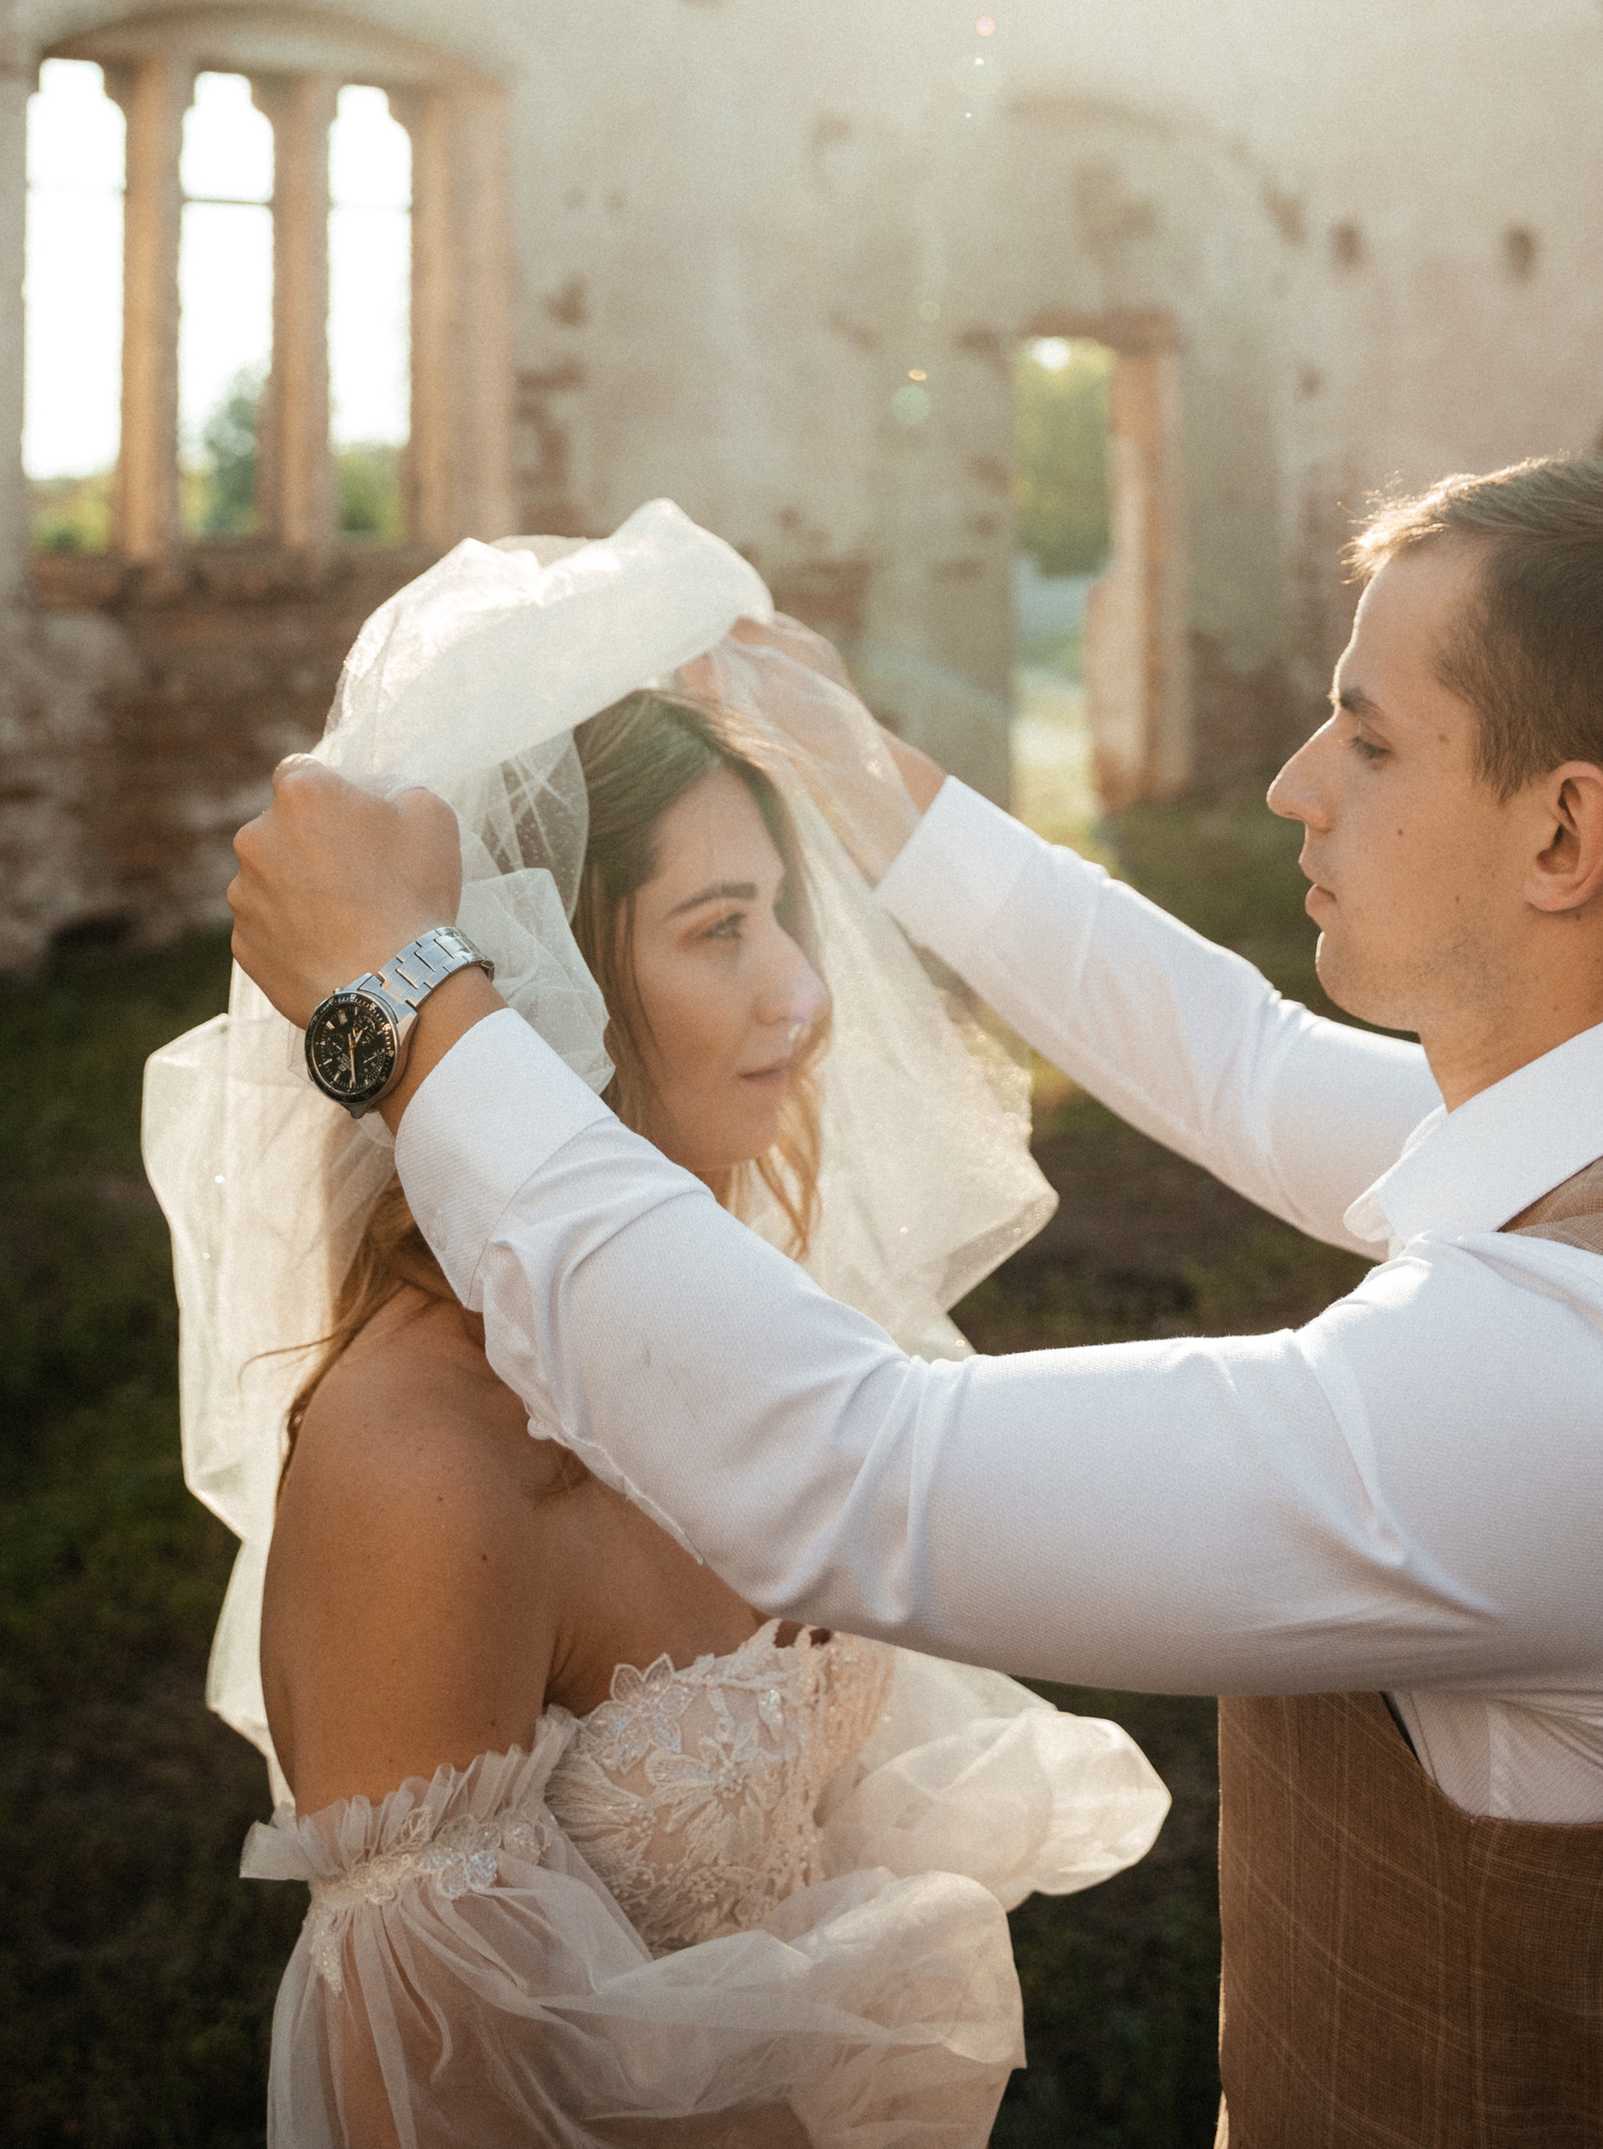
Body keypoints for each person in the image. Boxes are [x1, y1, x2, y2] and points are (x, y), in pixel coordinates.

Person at [231, 456, 1603, 2148]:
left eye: (1371, 739)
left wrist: (404, 1007)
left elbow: (856, 1471)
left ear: (1563, 833)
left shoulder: (1583, 1395)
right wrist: (852, 764)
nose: (1295, 783)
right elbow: (1243, 1066)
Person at [149, 508, 1165, 2149]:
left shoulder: (740, 1317)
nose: (803, 996)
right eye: (717, 930)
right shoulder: (422, 1463)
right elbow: (430, 2100)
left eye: (781, 916)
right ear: (540, 988)